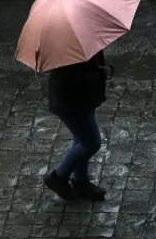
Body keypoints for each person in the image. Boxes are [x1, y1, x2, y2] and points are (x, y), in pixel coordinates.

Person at [43, 50, 113, 202]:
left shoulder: (78, 45)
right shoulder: (70, 52)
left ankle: (81, 183)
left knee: (80, 140)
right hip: (73, 102)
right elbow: (78, 78)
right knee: (90, 143)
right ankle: (59, 177)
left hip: (81, 99)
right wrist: (99, 73)